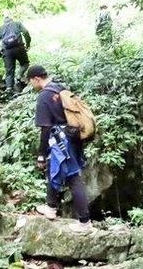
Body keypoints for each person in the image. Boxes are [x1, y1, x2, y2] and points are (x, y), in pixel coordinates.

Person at [26, 65, 95, 234]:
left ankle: (85, 223)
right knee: (53, 169)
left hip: (61, 141)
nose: (31, 86)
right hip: (72, 137)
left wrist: (41, 154)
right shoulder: (60, 88)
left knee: (72, 178)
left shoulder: (44, 96)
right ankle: (50, 207)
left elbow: (45, 128)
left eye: (31, 82)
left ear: (36, 79)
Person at [0, 15, 31, 93]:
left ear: (4, 22)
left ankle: (9, 89)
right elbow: (26, 32)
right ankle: (19, 75)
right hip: (19, 48)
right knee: (25, 63)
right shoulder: (17, 24)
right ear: (11, 20)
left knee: (9, 71)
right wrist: (28, 44)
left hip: (7, 52)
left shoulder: (0, 29)